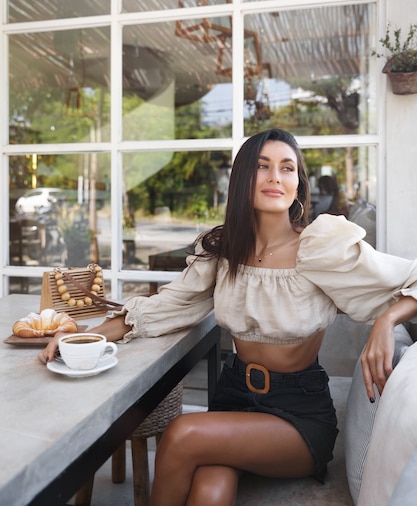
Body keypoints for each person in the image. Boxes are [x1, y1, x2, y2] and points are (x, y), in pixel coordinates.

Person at [39, 128, 417, 506]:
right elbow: (167, 305)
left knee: (183, 433)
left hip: (298, 414)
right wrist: (86, 337)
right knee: (209, 491)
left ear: (298, 183)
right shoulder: (224, 250)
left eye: (287, 168)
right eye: (262, 166)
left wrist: (387, 320)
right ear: (242, 179)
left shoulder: (320, 247)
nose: (274, 177)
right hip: (233, 397)